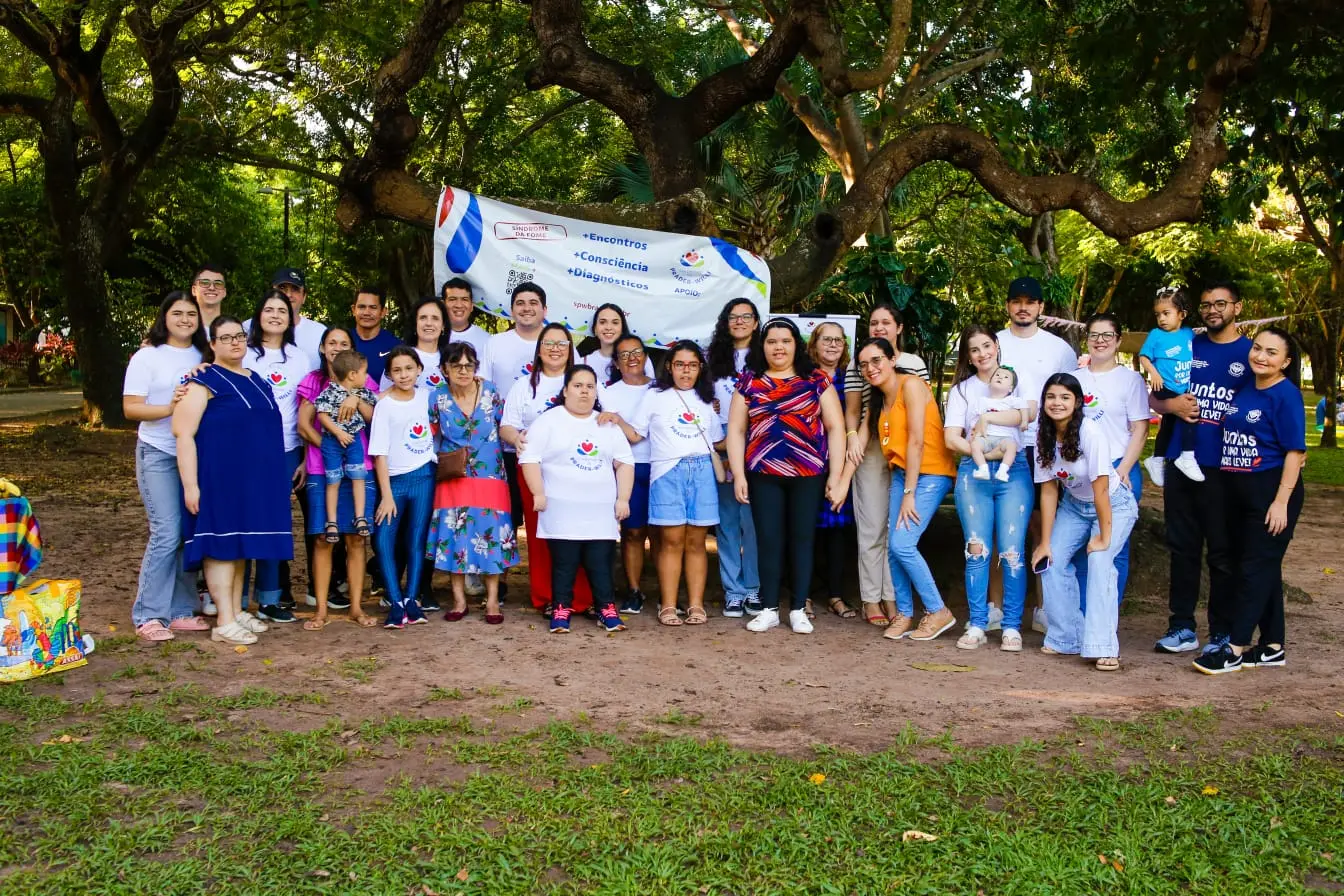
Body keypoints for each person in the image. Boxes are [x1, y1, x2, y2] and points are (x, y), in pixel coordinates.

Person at [172, 316, 294, 646]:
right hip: (218, 478)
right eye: (225, 338)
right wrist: (191, 484)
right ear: (212, 345)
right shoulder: (202, 381)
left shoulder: (257, 379)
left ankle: (237, 611)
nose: (234, 342)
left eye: (239, 336)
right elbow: (183, 434)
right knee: (222, 546)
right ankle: (223, 620)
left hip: (256, 480)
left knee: (241, 546)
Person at [1194, 327, 1307, 674]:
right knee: (1262, 567)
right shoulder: (1246, 388)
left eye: (1272, 353)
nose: (1260, 356)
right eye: (1258, 348)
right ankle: (1272, 646)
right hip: (1236, 491)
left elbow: (1295, 452)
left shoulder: (1285, 395)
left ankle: (1235, 647)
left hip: (1271, 492)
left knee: (1254, 569)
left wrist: (1280, 502)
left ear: (1286, 362)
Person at [1150, 282, 1252, 655]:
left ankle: (1222, 632)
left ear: (1237, 308)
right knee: (1182, 547)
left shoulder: (1251, 353)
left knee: (1223, 552)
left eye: (1220, 304)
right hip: (1181, 460)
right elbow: (1156, 397)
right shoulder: (1184, 344)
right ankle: (1181, 627)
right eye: (1207, 304)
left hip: (1226, 465)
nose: (1213, 310)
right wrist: (1171, 407)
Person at [726, 318, 845, 635]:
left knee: (803, 540)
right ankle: (768, 609)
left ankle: (797, 608)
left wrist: (835, 475)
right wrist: (738, 473)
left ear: (796, 345)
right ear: (762, 346)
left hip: (808, 474)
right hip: (764, 474)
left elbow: (835, 428)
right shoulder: (749, 382)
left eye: (785, 341)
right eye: (771, 342)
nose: (778, 347)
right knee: (768, 540)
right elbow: (736, 431)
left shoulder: (816, 380)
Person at [1032, 373, 1139, 671]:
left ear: (1077, 402)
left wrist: (1104, 536)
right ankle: (1068, 637)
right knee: (1050, 560)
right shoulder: (1044, 435)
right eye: (1051, 397)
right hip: (1075, 506)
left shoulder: (1090, 433)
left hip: (1113, 506)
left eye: (1065, 397)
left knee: (1101, 562)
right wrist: (1044, 542)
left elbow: (1102, 488)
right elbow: (1049, 489)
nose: (1057, 403)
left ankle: (1104, 646)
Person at [123, 291, 212, 643]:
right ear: (165, 317)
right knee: (166, 532)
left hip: (192, 454)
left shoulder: (204, 354)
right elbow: (131, 408)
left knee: (186, 530)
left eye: (191, 314)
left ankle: (180, 610)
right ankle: (148, 613)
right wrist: (169, 407)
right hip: (157, 451)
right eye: (178, 313)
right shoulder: (148, 356)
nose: (186, 319)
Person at [519, 365, 634, 633]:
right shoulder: (549, 421)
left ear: (596, 391)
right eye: (578, 385)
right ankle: (561, 608)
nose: (584, 391)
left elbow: (625, 462)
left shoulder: (606, 424)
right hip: (560, 510)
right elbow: (529, 458)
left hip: (600, 512)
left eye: (590, 386)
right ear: (565, 390)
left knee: (600, 562)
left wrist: (623, 498)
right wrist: (538, 492)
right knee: (564, 564)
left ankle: (606, 608)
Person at [858, 337, 958, 642]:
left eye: (876, 360)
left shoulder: (911, 385)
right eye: (863, 365)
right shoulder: (879, 399)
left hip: (930, 474)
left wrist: (909, 493)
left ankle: (938, 609)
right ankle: (903, 612)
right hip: (903, 473)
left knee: (903, 545)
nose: (870, 369)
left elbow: (916, 440)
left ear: (891, 359)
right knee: (893, 546)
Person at [944, 326, 1033, 651]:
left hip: (1015, 473)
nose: (982, 354)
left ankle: (1011, 625)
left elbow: (1029, 415)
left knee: (1012, 552)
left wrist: (987, 424)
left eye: (986, 346)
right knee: (976, 549)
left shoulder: (1016, 381)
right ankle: (978, 622)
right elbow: (952, 436)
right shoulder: (963, 391)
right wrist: (983, 451)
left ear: (996, 346)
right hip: (975, 471)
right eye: (974, 350)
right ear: (968, 357)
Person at [998, 276, 1077, 634]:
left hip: (1046, 445)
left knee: (1042, 525)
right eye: (1017, 301)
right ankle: (995, 607)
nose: (1023, 307)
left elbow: (1073, 396)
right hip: (1001, 445)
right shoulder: (995, 344)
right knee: (1003, 525)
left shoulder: (1059, 348)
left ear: (1042, 308)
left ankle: (1043, 607)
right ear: (1008, 306)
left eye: (1031, 301)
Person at [623, 341, 721, 627]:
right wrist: (614, 419)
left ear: (700, 368)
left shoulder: (706, 398)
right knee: (670, 541)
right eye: (680, 364)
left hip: (702, 470)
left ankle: (696, 605)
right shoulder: (655, 396)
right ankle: (667, 605)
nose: (686, 371)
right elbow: (636, 434)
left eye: (692, 365)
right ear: (669, 366)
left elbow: (716, 440)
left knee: (696, 542)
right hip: (667, 471)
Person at [844, 303, 928, 628]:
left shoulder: (913, 365)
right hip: (871, 447)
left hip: (905, 449)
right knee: (871, 524)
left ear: (899, 328)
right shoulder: (859, 363)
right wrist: (853, 437)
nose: (879, 328)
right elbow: (854, 409)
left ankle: (894, 596)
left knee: (898, 527)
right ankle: (870, 597)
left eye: (886, 323)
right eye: (873, 323)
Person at [501, 321, 593, 614]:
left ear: (570, 350)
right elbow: (506, 426)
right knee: (541, 534)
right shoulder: (525, 385)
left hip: (578, 467)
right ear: (539, 350)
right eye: (549, 344)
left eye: (562, 344)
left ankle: (582, 599)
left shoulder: (583, 380)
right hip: (534, 468)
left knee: (579, 533)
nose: (555, 349)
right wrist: (517, 437)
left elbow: (601, 415)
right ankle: (546, 597)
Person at [428, 342, 520, 623]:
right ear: (444, 369)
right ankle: (458, 601)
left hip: (490, 474)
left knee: (491, 534)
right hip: (454, 476)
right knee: (454, 536)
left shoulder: (491, 392)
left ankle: (492, 601)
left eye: (469, 365)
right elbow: (427, 434)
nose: (463, 370)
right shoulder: (436, 397)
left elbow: (507, 426)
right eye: (456, 365)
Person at [297, 327, 379, 630]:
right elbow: (304, 426)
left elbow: (376, 420)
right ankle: (320, 610)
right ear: (322, 349)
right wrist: (336, 445)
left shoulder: (364, 380)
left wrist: (356, 399)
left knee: (357, 539)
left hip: (362, 466)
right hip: (323, 466)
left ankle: (357, 608)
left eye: (344, 343)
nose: (337, 347)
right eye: (332, 343)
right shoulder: (313, 382)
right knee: (322, 539)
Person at [240, 289, 311, 623]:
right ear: (258, 316)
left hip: (286, 450)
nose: (275, 315)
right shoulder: (243, 353)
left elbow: (306, 410)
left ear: (290, 317)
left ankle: (269, 599)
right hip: (246, 451)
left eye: (281, 310)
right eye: (268, 309)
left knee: (273, 524)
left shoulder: (299, 358)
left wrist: (304, 457)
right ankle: (235, 598)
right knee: (242, 521)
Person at [1071, 312, 1149, 603]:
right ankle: (1080, 617)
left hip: (1119, 466)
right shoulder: (1074, 379)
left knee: (1115, 546)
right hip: (1080, 471)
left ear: (1117, 341)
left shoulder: (1130, 381)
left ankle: (1106, 618)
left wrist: (1123, 469)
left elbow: (1140, 428)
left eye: (1107, 335)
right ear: (1086, 339)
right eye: (1094, 335)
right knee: (1082, 546)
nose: (1100, 341)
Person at [367, 347, 434, 628]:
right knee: (384, 540)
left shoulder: (428, 397)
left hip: (424, 477)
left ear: (419, 369)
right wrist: (386, 495)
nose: (404, 375)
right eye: (397, 370)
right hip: (393, 481)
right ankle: (394, 600)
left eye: (409, 368)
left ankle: (411, 600)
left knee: (416, 540)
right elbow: (379, 452)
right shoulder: (384, 405)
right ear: (390, 374)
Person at [706, 298, 761, 617]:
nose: (739, 321)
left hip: (758, 438)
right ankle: (733, 591)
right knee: (727, 520)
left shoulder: (766, 355)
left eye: (746, 316)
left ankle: (754, 587)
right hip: (721, 439)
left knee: (752, 520)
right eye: (733, 316)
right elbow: (700, 394)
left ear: (756, 322)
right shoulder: (711, 357)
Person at [595, 333, 655, 614]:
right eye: (624, 354)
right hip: (625, 468)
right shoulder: (607, 392)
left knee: (665, 534)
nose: (632, 358)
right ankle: (633, 590)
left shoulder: (662, 389)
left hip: (662, 465)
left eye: (637, 352)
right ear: (616, 363)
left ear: (645, 356)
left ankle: (668, 594)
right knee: (631, 533)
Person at [488, 283, 551, 534]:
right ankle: (500, 573)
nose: (527, 309)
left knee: (546, 513)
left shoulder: (558, 342)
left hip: (550, 450)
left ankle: (549, 572)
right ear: (512, 310)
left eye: (533, 303)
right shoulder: (496, 343)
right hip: (504, 444)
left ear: (545, 310)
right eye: (520, 303)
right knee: (506, 515)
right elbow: (482, 390)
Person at [809, 322, 856, 620]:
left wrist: (839, 473)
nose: (832, 345)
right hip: (808, 463)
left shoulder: (851, 380)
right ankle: (807, 594)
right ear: (814, 344)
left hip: (842, 463)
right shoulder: (803, 377)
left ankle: (836, 595)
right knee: (806, 530)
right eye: (826, 339)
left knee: (838, 530)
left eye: (838, 340)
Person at [315, 349, 378, 541]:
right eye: (364, 372)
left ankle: (360, 517)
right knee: (333, 480)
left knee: (358, 476)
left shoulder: (362, 393)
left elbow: (377, 405)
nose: (366, 376)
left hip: (354, 440)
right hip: (333, 441)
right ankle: (332, 521)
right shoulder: (331, 391)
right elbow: (322, 415)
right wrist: (338, 432)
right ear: (352, 375)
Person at [1140, 287, 1199, 485]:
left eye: (1166, 313)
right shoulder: (1156, 334)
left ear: (1182, 315)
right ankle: (1187, 457)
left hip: (1183, 387)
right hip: (1164, 385)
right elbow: (1144, 357)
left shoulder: (1189, 334)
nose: (1161, 319)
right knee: (1190, 416)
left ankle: (1157, 459)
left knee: (1170, 424)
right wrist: (1154, 373)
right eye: (1158, 315)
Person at [244, 268, 327, 363]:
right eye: (282, 288)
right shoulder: (246, 328)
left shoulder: (320, 332)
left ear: (304, 297)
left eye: (295, 289)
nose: (288, 294)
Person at [966, 366, 1030, 482]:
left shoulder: (1012, 400)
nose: (1000, 377)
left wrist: (1025, 421)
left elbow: (1024, 407)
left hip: (1004, 438)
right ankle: (982, 468)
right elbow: (975, 419)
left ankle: (1003, 470)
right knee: (975, 445)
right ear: (990, 383)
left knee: (1012, 446)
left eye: (1006, 377)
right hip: (986, 437)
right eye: (997, 375)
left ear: (1010, 388)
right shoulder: (982, 401)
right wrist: (974, 433)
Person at [383, 296, 452, 399]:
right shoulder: (399, 357)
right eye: (423, 318)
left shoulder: (451, 358)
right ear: (415, 324)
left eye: (435, 318)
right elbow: (383, 400)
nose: (429, 323)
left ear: (443, 326)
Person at [578, 303, 654, 382]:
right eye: (602, 322)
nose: (608, 327)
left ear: (622, 329)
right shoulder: (583, 362)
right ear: (595, 329)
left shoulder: (638, 358)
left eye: (615, 323)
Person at [351, 286, 402, 383]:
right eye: (362, 307)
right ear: (353, 310)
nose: (366, 312)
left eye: (373, 307)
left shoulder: (396, 346)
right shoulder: (342, 342)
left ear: (383, 312)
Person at [442, 277, 492, 363]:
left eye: (464, 299)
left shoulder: (486, 340)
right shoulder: (432, 335)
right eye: (452, 299)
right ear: (443, 305)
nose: (459, 305)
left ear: (472, 305)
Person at [190, 264, 227, 331]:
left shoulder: (234, 331)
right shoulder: (184, 329)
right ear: (194, 290)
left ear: (224, 292)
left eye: (218, 284)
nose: (211, 288)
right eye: (205, 283)